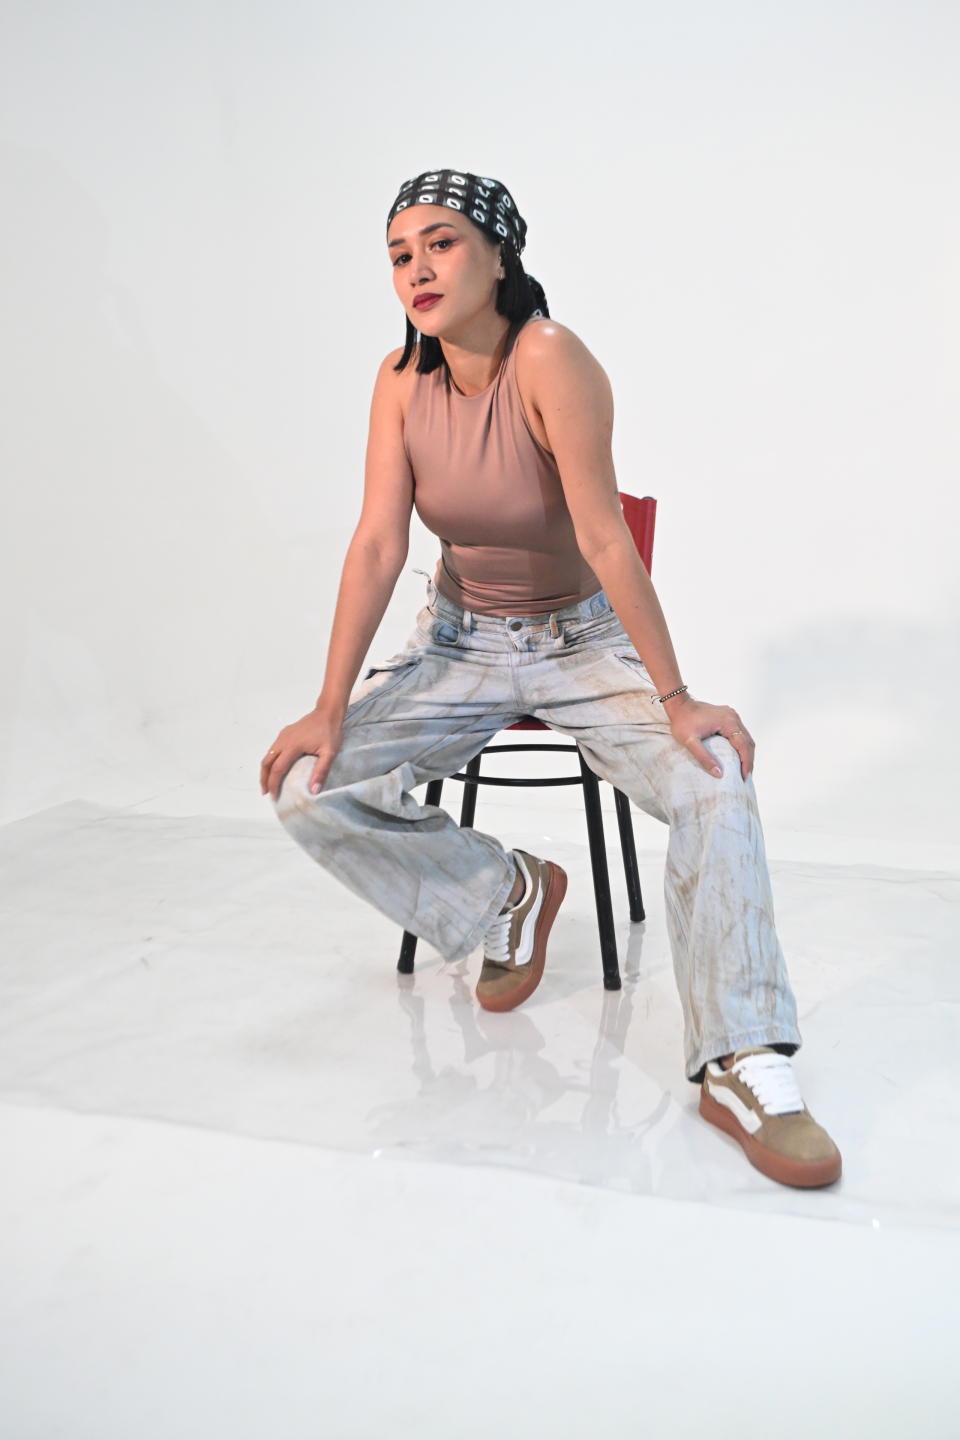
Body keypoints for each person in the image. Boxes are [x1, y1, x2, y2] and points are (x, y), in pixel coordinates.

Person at [259, 168, 841, 1190]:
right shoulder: (398, 381)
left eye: (441, 243)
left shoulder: (550, 357)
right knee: (309, 788)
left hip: (579, 640)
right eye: (399, 255)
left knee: (714, 779)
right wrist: (328, 706)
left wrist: (677, 702)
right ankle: (507, 895)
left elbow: (606, 539)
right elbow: (379, 544)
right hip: (458, 643)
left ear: (498, 253)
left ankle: (742, 1059)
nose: (417, 270)